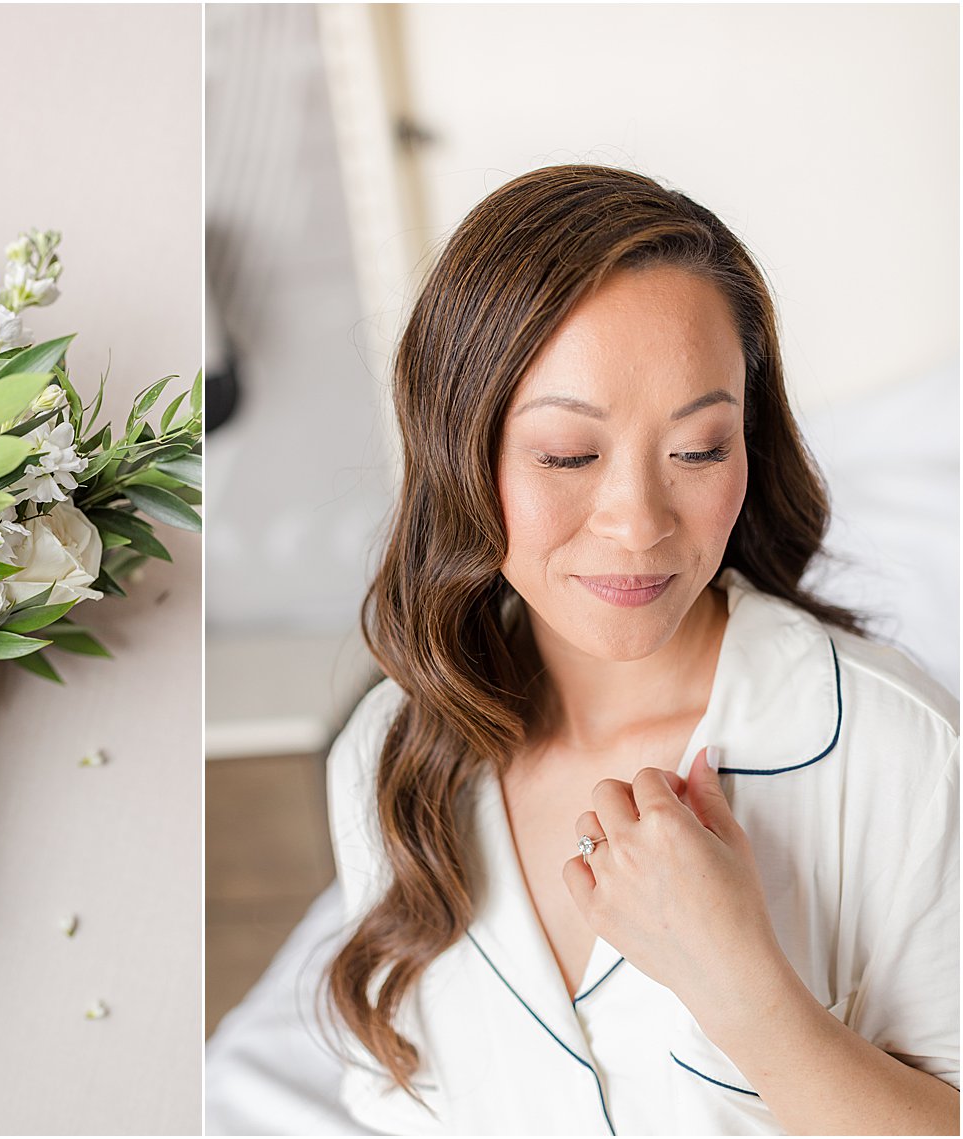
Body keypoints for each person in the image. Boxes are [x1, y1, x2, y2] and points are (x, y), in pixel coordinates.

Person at [323, 165, 959, 1136]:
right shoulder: (385, 754)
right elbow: (398, 1107)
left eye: (698, 449)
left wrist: (742, 990)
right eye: (567, 455)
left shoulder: (892, 748)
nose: (637, 523)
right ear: (460, 450)